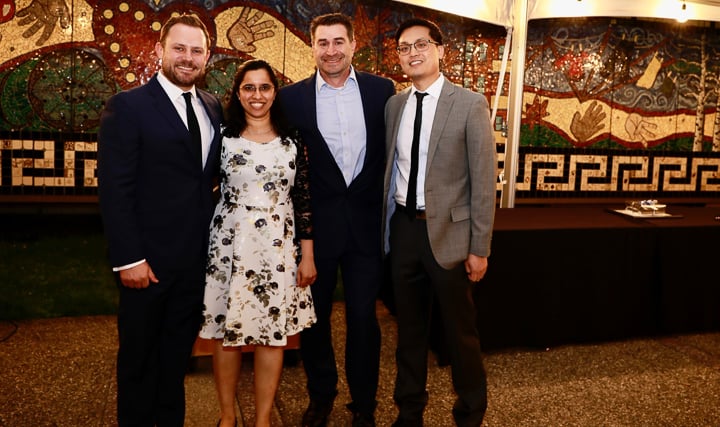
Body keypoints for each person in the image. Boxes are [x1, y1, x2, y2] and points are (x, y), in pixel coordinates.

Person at [97, 14, 222, 426]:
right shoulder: (128, 106)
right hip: (146, 265)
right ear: (159, 51)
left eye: (196, 51)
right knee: (139, 363)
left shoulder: (211, 106)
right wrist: (129, 258)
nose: (188, 58)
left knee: (174, 362)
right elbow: (115, 188)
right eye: (179, 48)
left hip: (193, 264)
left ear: (207, 57)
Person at [276, 12, 395, 427]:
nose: (331, 50)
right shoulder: (291, 99)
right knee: (315, 319)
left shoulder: (382, 91)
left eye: (338, 41)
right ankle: (321, 395)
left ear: (353, 45)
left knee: (364, 318)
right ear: (312, 47)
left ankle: (364, 404)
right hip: (315, 231)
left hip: (365, 227)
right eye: (323, 42)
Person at [382, 18, 497, 427]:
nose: (413, 53)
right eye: (404, 47)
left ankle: (470, 413)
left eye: (421, 44)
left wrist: (479, 247)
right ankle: (409, 412)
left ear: (440, 50)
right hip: (404, 232)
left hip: (450, 234)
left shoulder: (469, 103)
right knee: (409, 332)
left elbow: (483, 179)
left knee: (459, 333)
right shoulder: (394, 106)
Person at [198, 59, 317, 427]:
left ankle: (263, 419)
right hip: (229, 246)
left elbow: (303, 198)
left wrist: (307, 255)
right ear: (237, 93)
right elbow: (201, 186)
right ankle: (227, 416)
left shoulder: (293, 138)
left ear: (274, 92)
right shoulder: (223, 137)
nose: (257, 95)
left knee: (271, 334)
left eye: (264, 87)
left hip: (278, 249)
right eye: (248, 87)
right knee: (226, 332)